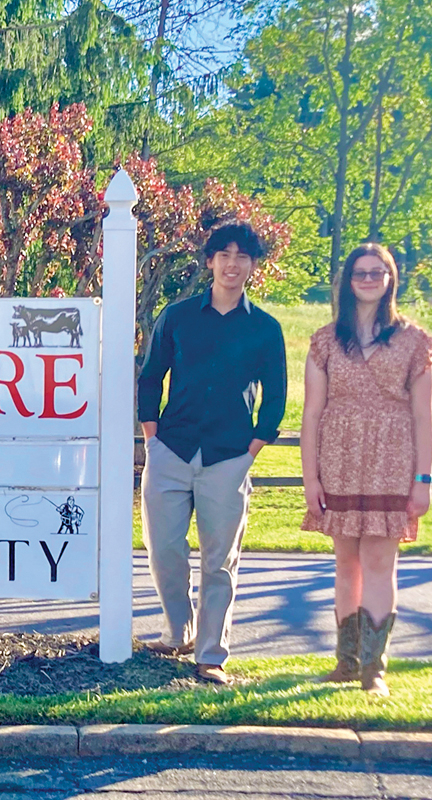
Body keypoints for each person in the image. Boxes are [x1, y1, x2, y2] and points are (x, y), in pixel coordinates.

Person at [137, 222, 287, 685]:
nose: (232, 264)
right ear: (209, 261)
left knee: (220, 561)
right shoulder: (177, 316)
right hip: (172, 450)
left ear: (252, 266)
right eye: (224, 254)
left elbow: (276, 395)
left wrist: (252, 450)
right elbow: (149, 377)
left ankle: (210, 654)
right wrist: (152, 437)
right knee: (164, 551)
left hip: (227, 457)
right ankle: (177, 631)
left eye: (243, 256)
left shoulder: (264, 328)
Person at [300, 243, 429, 697]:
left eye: (378, 272)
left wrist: (424, 478)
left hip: (393, 460)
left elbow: (424, 416)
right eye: (361, 272)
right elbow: (312, 414)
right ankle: (346, 661)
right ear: (347, 281)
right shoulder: (325, 340)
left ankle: (375, 668)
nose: (370, 279)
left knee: (379, 562)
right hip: (338, 459)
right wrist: (310, 477)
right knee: (345, 565)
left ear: (391, 279)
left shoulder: (415, 341)